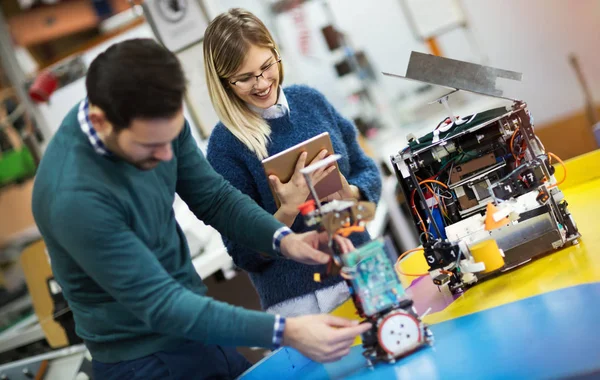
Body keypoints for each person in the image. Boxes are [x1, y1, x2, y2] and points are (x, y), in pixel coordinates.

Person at [31, 38, 371, 380]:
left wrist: (283, 239)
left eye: (172, 138)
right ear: (100, 121)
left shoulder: (154, 113)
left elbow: (214, 197)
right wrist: (289, 331)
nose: (167, 157)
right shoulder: (74, 199)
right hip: (141, 360)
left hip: (202, 326)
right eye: (150, 146)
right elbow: (161, 306)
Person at [204, 9, 382, 317]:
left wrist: (349, 192)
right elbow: (242, 252)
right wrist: (286, 211)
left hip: (365, 268)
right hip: (305, 304)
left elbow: (368, 171)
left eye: (266, 67)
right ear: (224, 82)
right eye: (245, 78)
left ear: (275, 53)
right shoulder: (225, 146)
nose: (261, 84)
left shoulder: (310, 101)